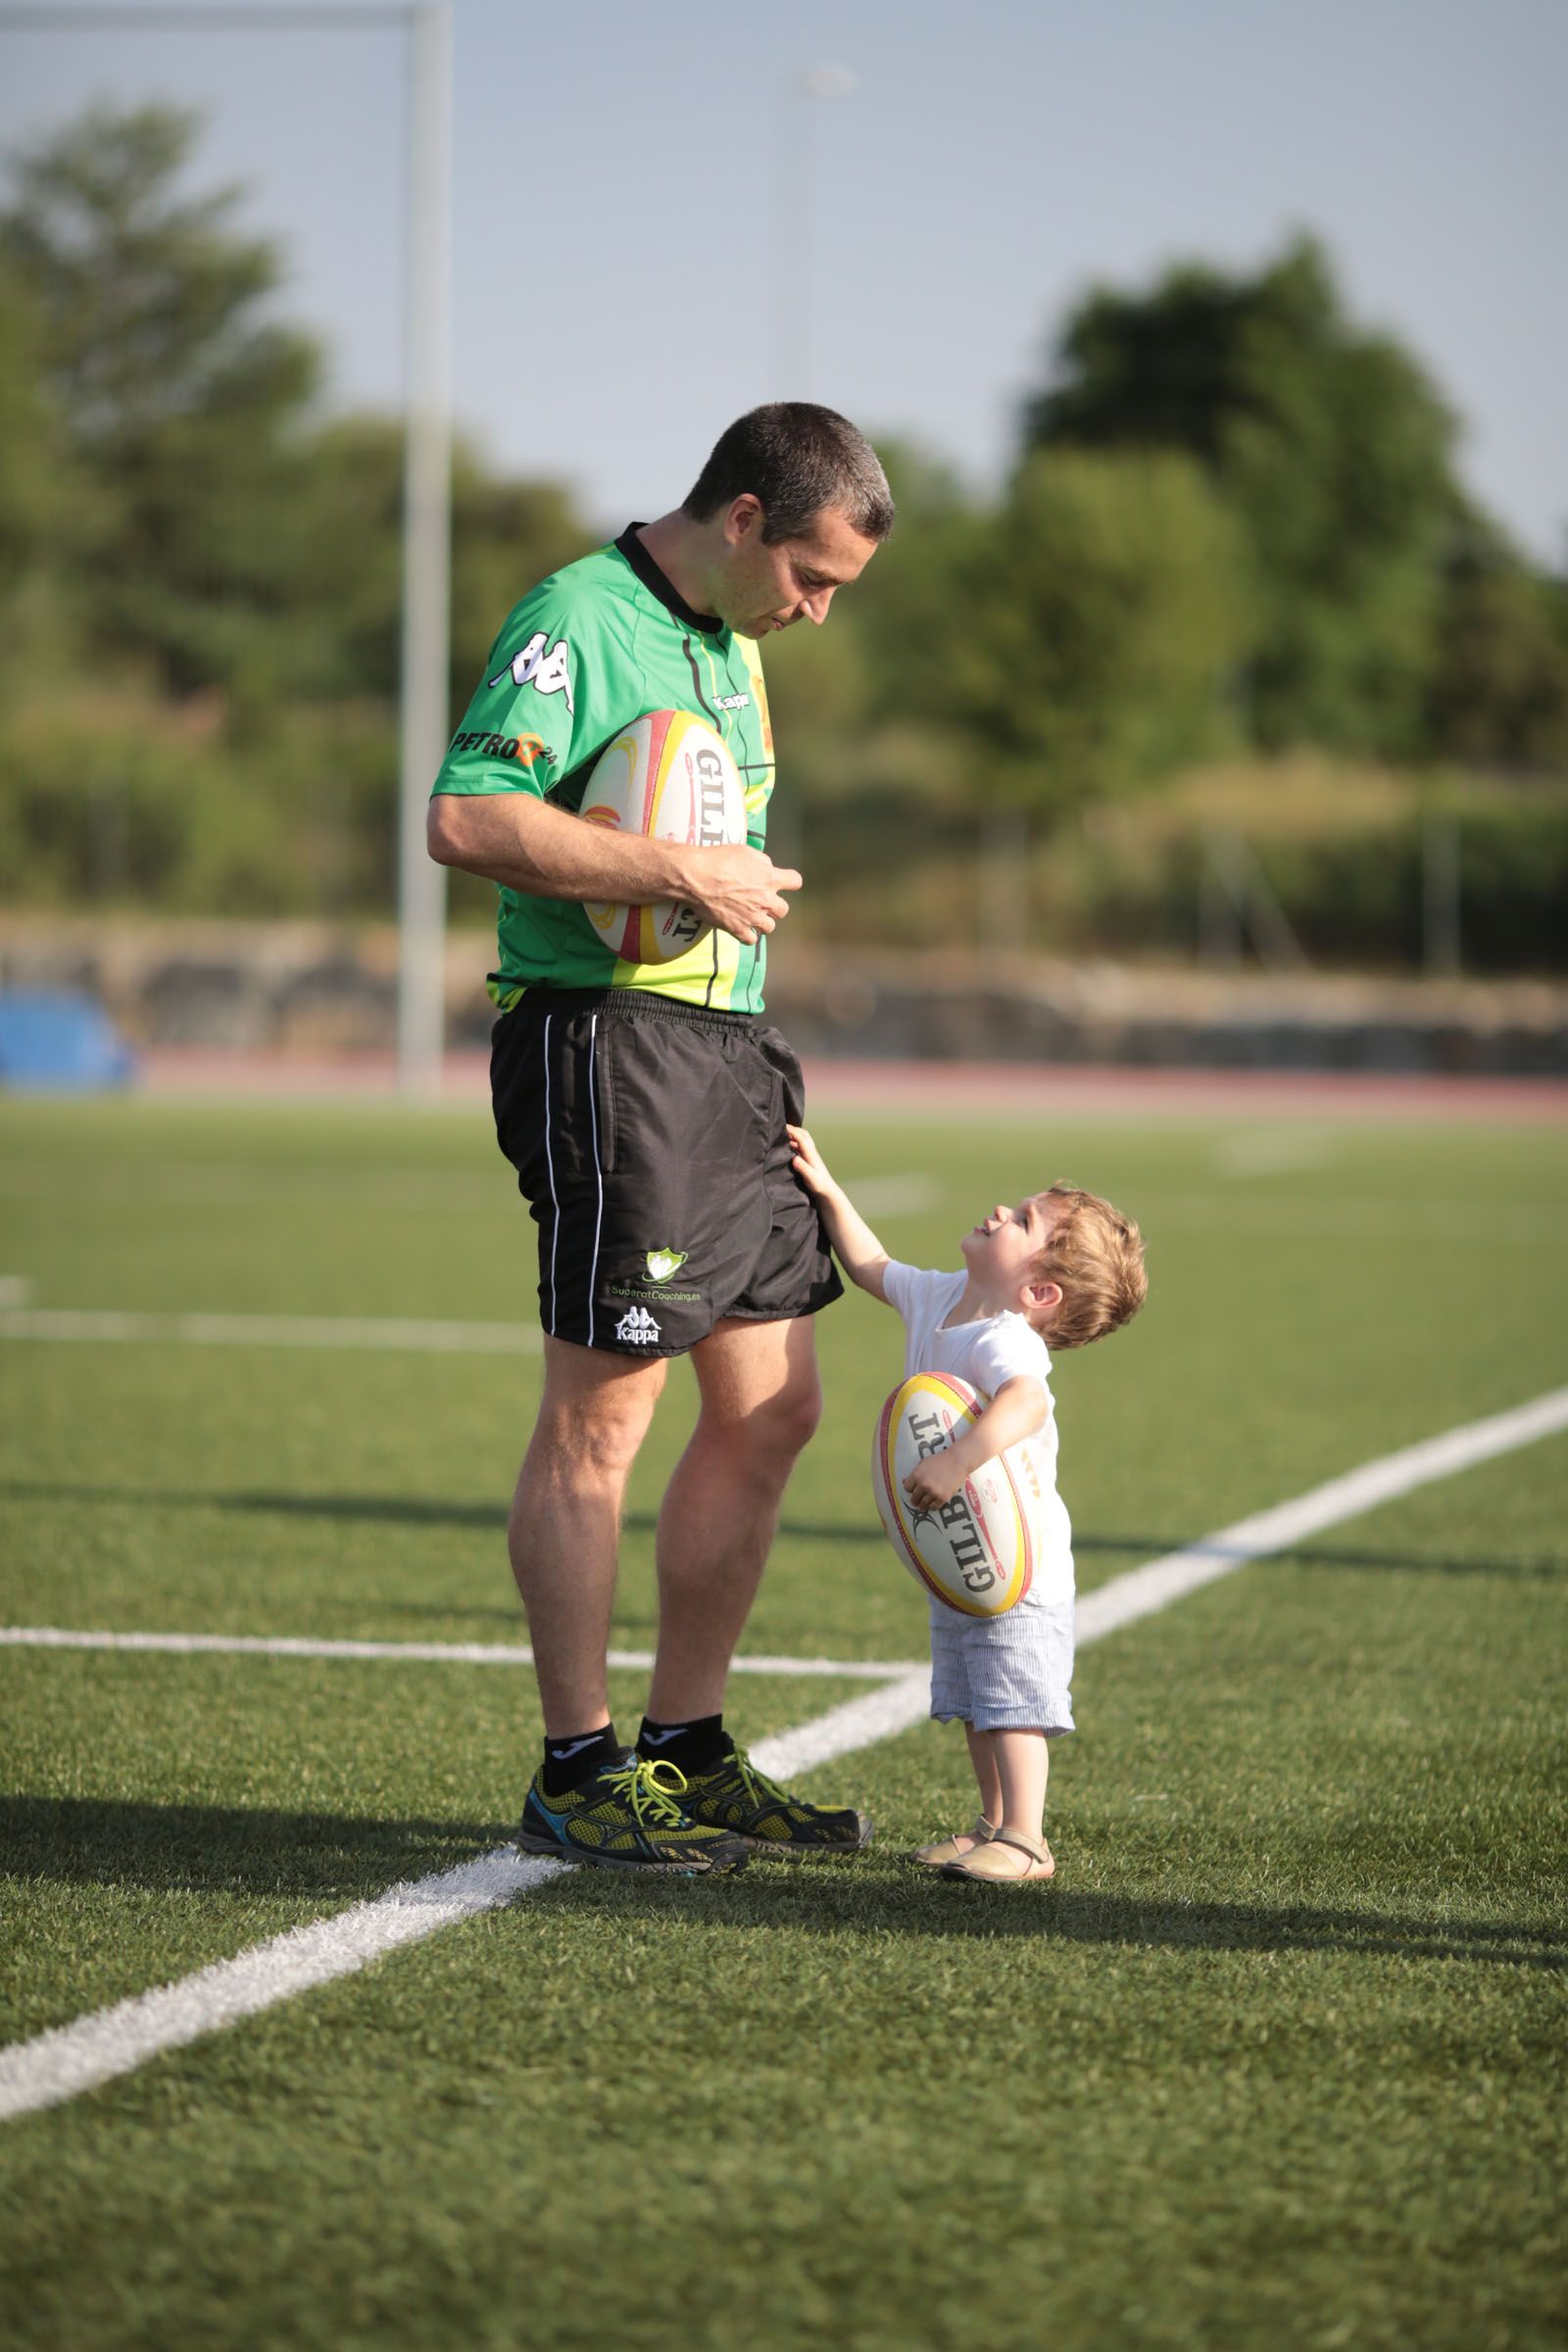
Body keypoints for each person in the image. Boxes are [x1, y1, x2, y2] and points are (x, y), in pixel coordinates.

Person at [427, 404, 895, 1875]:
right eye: (811, 577)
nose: (814, 613)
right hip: (602, 1044)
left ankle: (683, 1753)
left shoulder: (739, 647)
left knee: (774, 1409)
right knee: (605, 1415)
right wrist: (674, 866)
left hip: (730, 1053)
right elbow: (465, 817)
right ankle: (576, 1770)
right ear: (746, 516)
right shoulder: (579, 617)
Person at [786, 1124, 1147, 1885]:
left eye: (1023, 1221)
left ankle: (1027, 1838)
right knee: (977, 1700)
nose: (999, 1212)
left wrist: (957, 1459)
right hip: (965, 1549)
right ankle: (989, 1822)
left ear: (1038, 1293)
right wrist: (827, 1190)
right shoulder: (944, 1298)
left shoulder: (1006, 1339)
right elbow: (872, 1266)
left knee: (1013, 1701)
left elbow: (1027, 1404)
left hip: (1022, 1569)